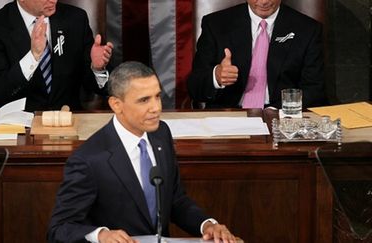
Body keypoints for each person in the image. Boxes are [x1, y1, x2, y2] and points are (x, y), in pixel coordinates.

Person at [48, 61, 237, 243]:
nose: (156, 108)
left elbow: (174, 200)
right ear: (116, 105)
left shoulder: (161, 133)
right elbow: (59, 229)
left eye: (157, 96)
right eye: (144, 100)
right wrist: (101, 236)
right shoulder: (89, 159)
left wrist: (206, 225)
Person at [187, 0, 328, 109]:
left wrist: (275, 111)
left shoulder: (308, 29)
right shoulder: (215, 24)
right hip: (228, 115)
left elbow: (314, 90)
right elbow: (195, 87)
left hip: (281, 115)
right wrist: (216, 77)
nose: (264, 2)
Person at [0, 0, 114, 111]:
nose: (53, 0)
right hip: (18, 127)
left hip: (67, 123)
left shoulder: (75, 19)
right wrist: (33, 56)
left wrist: (97, 69)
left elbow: (95, 86)